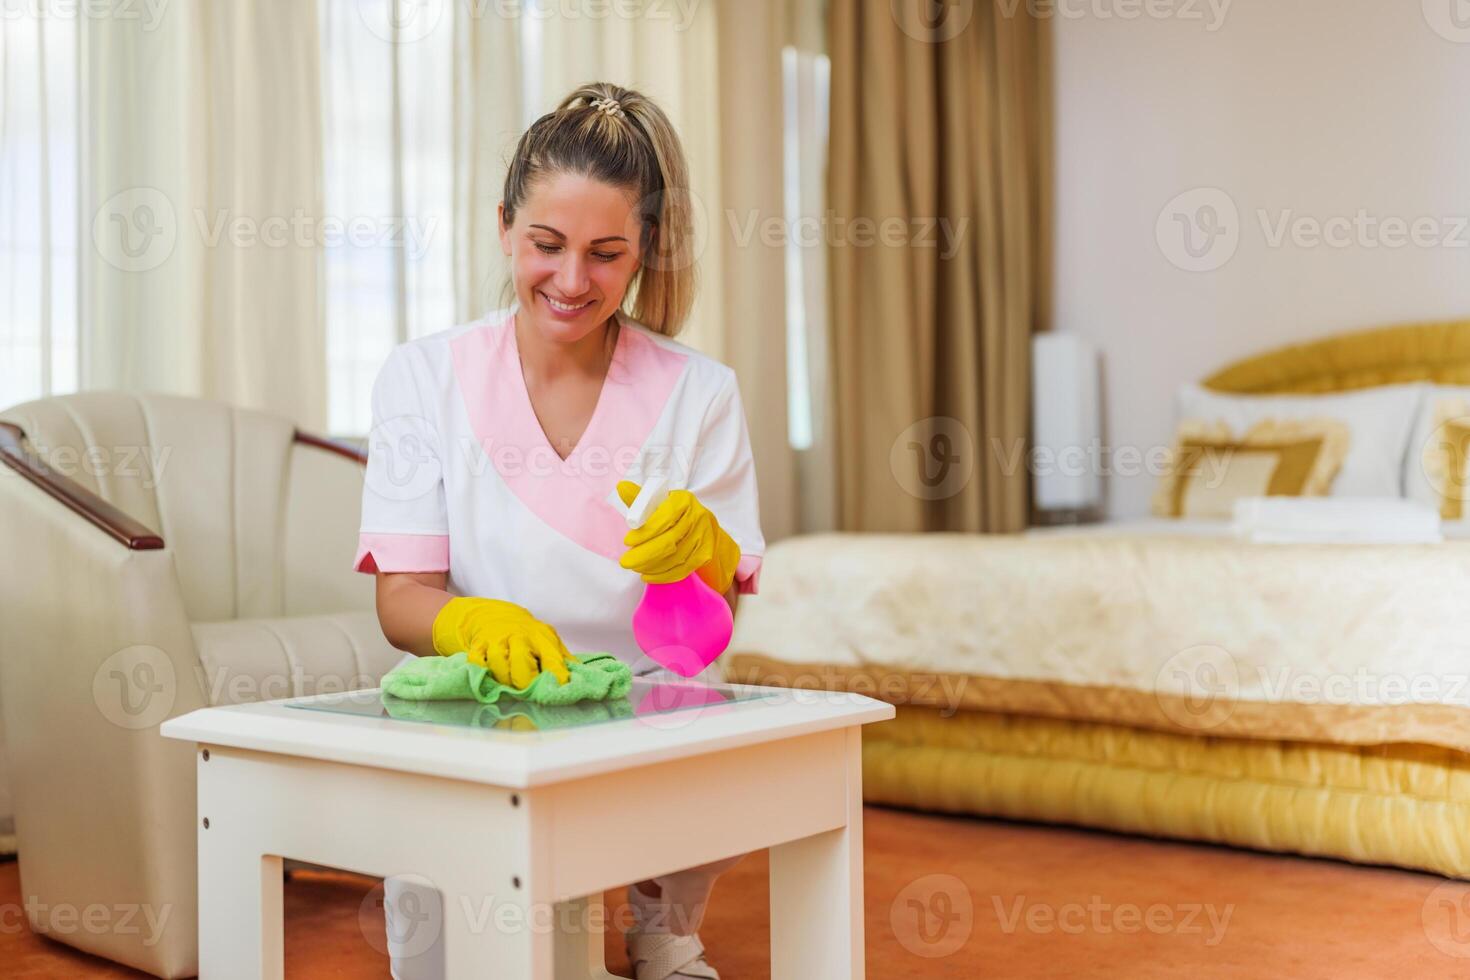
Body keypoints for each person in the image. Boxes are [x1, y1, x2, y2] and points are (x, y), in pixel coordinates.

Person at [353, 81, 764, 980]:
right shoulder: (423, 379)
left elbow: (719, 610)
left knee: (711, 737)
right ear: (505, 226)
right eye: (546, 245)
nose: (572, 281)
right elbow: (400, 600)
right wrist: (473, 623)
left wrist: (706, 548)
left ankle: (663, 927)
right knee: (467, 963)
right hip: (483, 703)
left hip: (648, 702)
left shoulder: (701, 392)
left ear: (645, 252)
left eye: (606, 253)